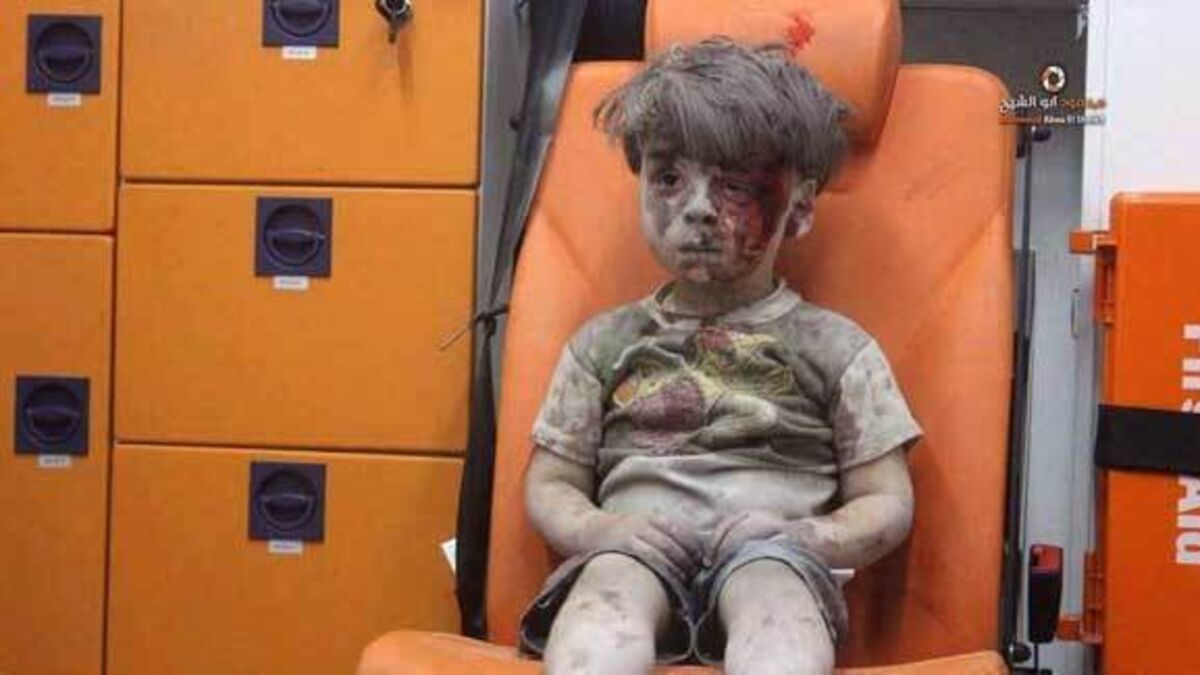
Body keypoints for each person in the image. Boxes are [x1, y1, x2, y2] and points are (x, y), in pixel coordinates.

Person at [520, 38, 922, 675]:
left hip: (775, 554)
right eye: (669, 179)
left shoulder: (838, 350)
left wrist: (808, 536)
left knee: (777, 608)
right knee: (601, 608)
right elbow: (550, 482)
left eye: (735, 185)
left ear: (800, 207)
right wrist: (602, 532)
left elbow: (887, 500)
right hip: (630, 549)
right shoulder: (603, 345)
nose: (699, 209)